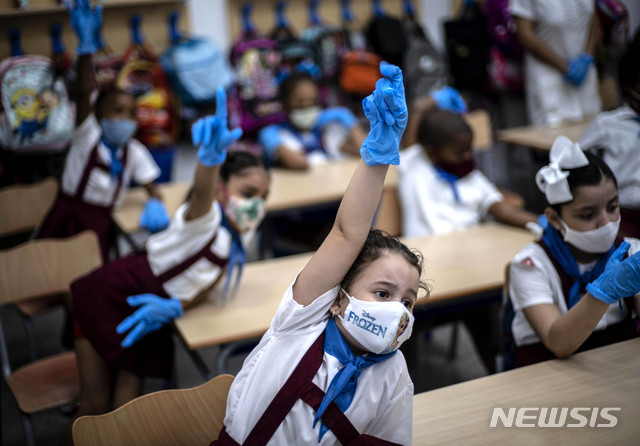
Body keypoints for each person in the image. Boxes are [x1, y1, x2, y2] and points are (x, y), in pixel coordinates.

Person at [214, 62, 427, 445]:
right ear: (337, 301)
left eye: (407, 303)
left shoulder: (394, 372)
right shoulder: (303, 322)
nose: (397, 310)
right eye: (382, 293)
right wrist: (378, 156)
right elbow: (347, 234)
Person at [62, 87, 269, 444]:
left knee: (128, 406)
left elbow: (205, 283)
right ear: (222, 190)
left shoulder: (237, 238)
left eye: (263, 197)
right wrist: (210, 160)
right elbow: (202, 193)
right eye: (248, 194)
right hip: (112, 294)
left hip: (153, 311)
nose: (256, 205)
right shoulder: (203, 221)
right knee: (95, 407)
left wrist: (177, 305)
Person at [37, 0, 169, 262]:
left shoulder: (133, 151)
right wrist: (86, 50)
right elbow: (84, 93)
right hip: (69, 219)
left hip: (101, 226)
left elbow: (152, 186)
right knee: (53, 271)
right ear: (98, 115)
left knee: (92, 272)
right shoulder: (88, 138)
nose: (126, 120)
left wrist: (156, 202)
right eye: (117, 111)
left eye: (132, 114)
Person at [507, 135, 640, 369]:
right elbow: (558, 343)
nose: (606, 223)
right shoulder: (530, 264)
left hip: (612, 366)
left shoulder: (631, 251)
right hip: (546, 371)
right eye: (588, 215)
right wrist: (604, 291)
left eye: (613, 207)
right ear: (554, 218)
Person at [398, 97, 539, 237]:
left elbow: (502, 210)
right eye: (459, 153)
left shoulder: (472, 177)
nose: (467, 157)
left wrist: (543, 223)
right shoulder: (415, 164)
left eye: (469, 150)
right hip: (426, 251)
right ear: (431, 152)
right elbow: (418, 108)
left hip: (468, 247)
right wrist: (438, 98)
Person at [579, 30, 640, 238]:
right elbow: (577, 158)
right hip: (622, 212)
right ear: (630, 85)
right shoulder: (609, 124)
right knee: (625, 251)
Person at [510, 0, 601, 124]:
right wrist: (565, 67)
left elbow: (593, 18)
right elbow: (525, 34)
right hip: (548, 75)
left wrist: (587, 56)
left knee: (590, 129)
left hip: (585, 74)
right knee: (553, 134)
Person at [258, 72, 367, 170]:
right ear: (284, 104)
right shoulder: (275, 134)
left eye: (313, 102)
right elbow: (300, 164)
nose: (307, 107)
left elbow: (362, 150)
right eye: (300, 103)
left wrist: (350, 122)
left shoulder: (327, 128)